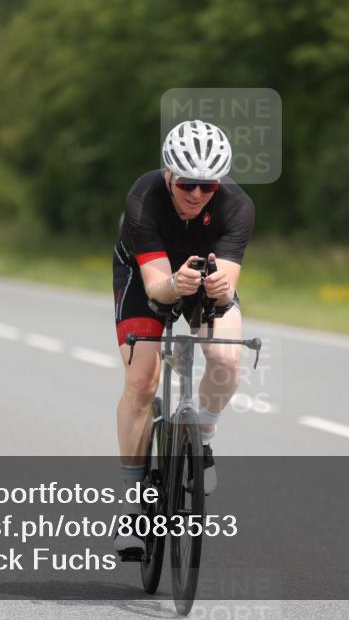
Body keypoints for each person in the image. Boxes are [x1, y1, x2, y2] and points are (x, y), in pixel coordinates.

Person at [112, 119, 255, 558]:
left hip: (202, 278)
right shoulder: (144, 198)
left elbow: (227, 286)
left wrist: (219, 290)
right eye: (187, 183)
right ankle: (134, 506)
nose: (196, 194)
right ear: (169, 175)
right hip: (147, 276)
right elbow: (157, 288)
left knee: (227, 359)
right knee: (141, 383)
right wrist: (178, 283)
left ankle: (204, 436)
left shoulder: (237, 207)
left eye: (207, 185)